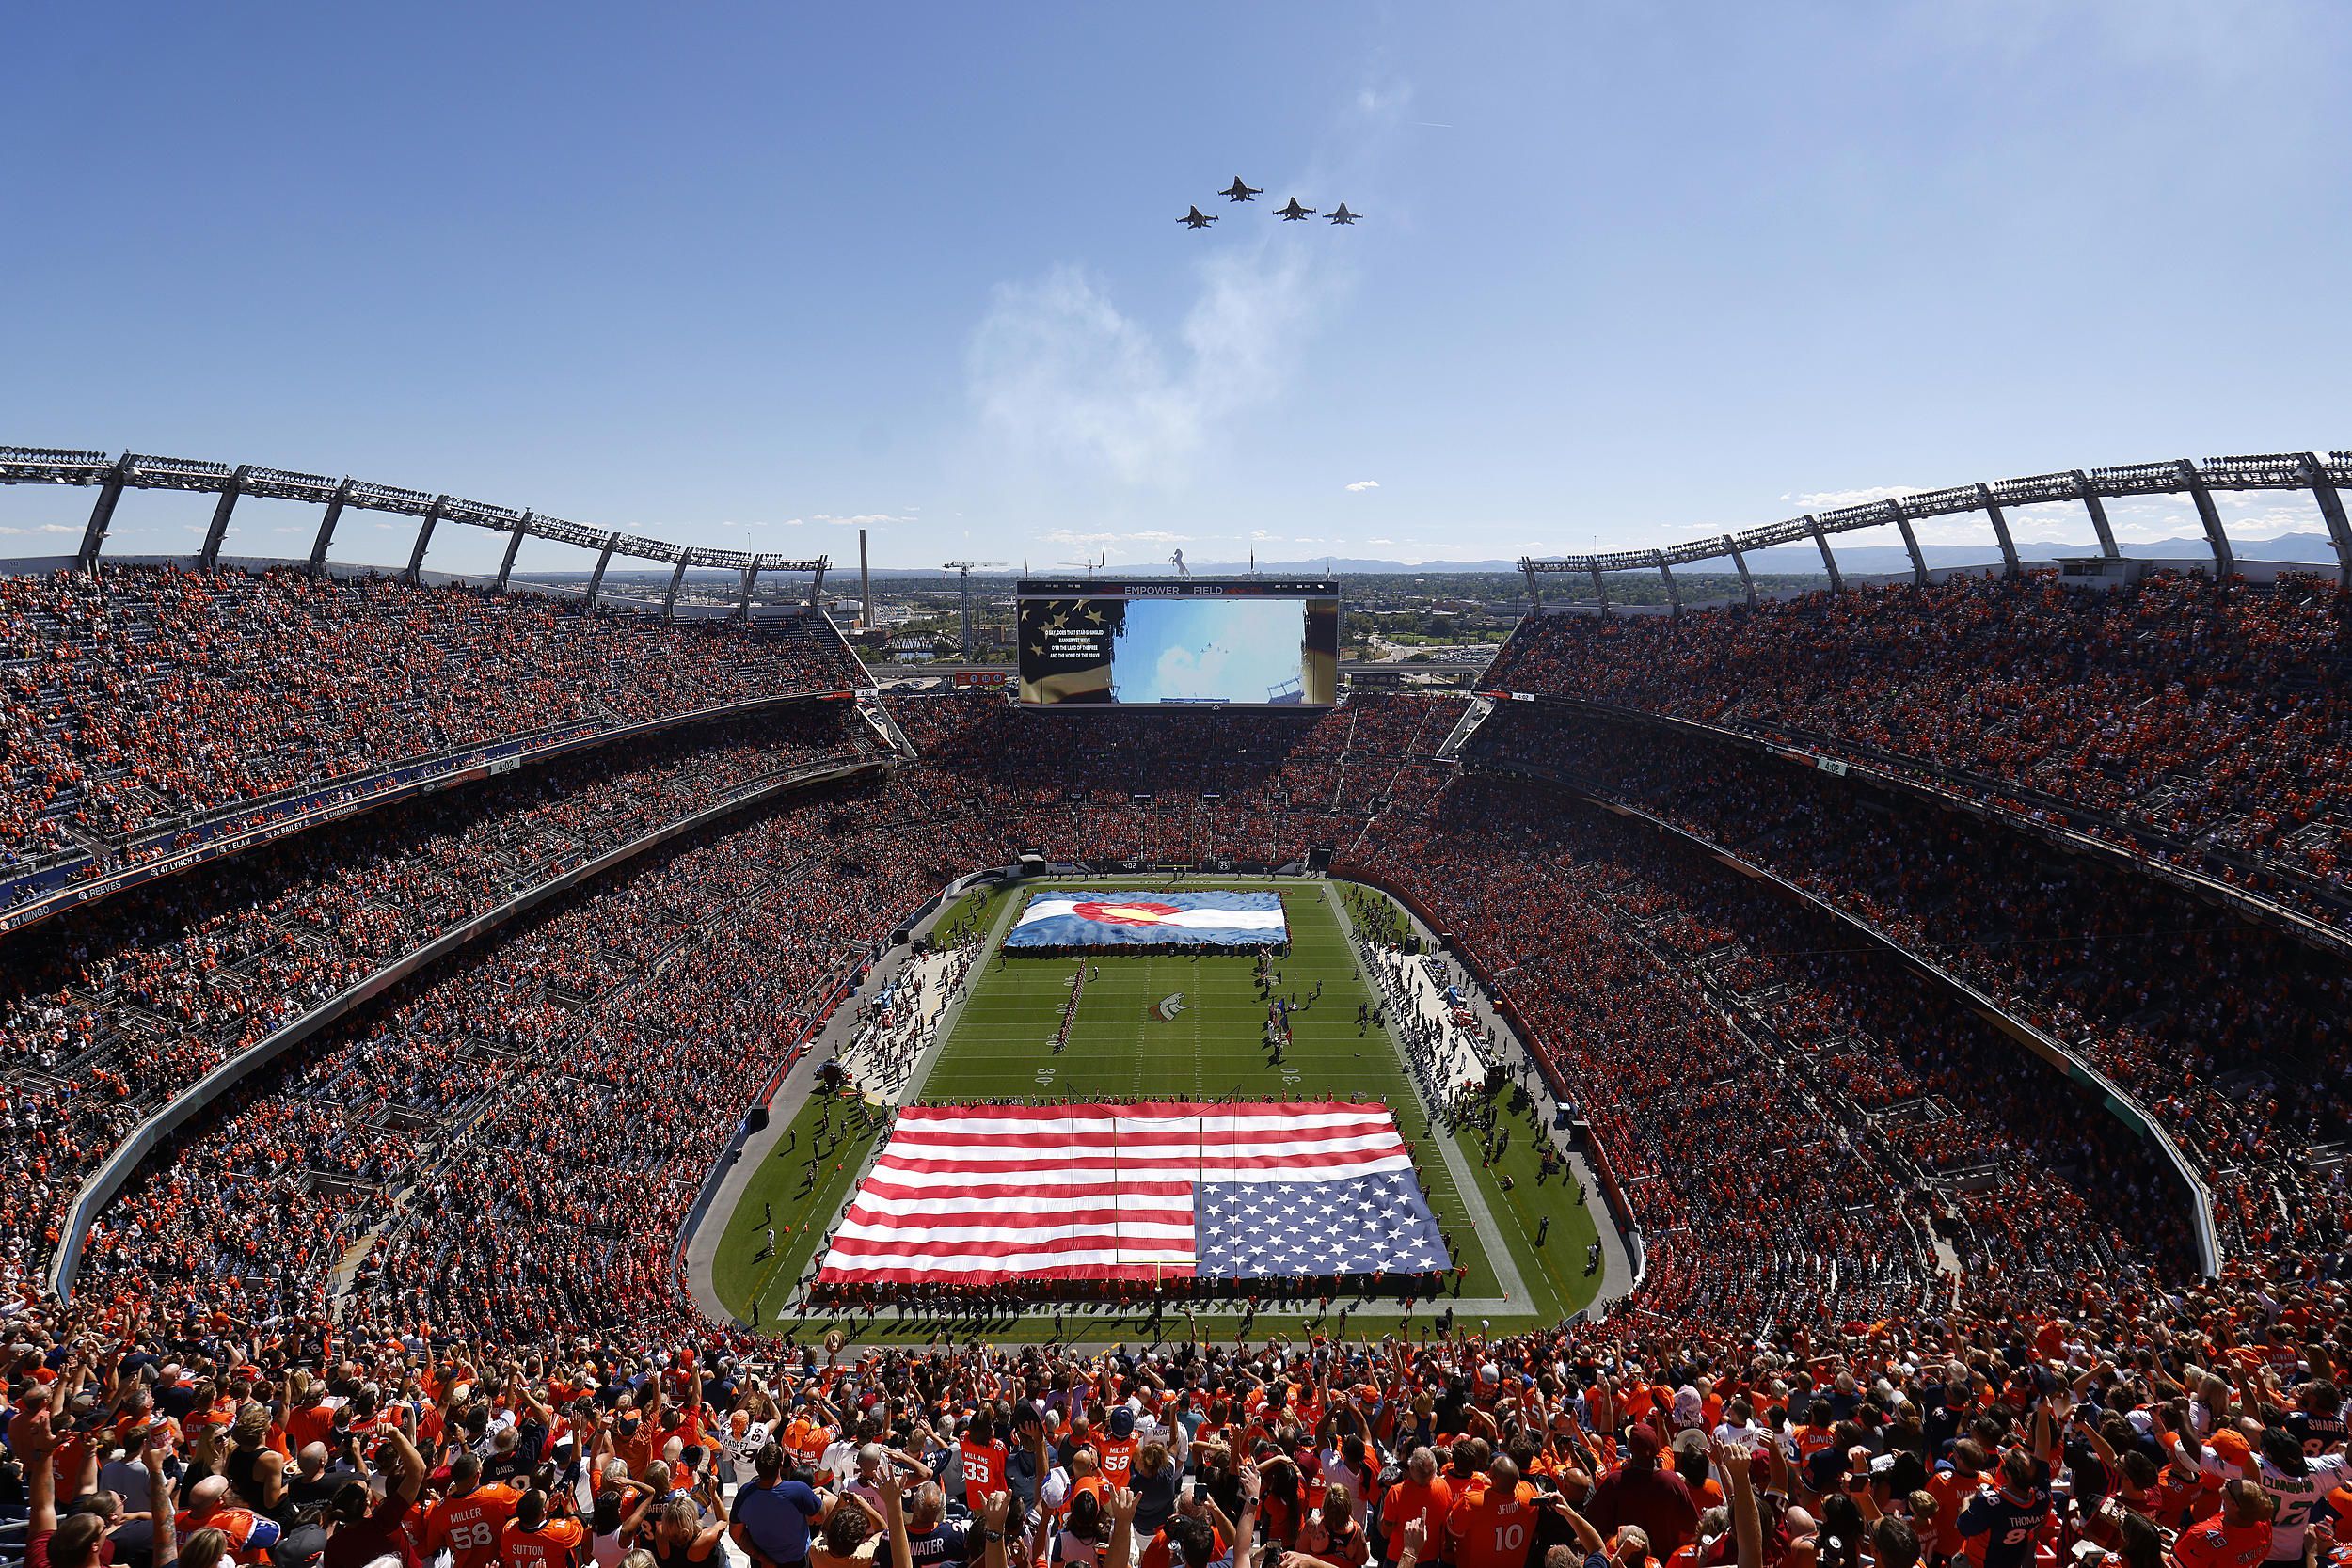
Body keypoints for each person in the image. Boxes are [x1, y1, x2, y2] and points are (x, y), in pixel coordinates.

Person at [731, 1443, 822, 1568]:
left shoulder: (744, 1494)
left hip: (761, 1564)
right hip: (797, 1563)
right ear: (781, 1464)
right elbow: (819, 1517)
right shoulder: (800, 1491)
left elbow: (736, 1533)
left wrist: (762, 1558)